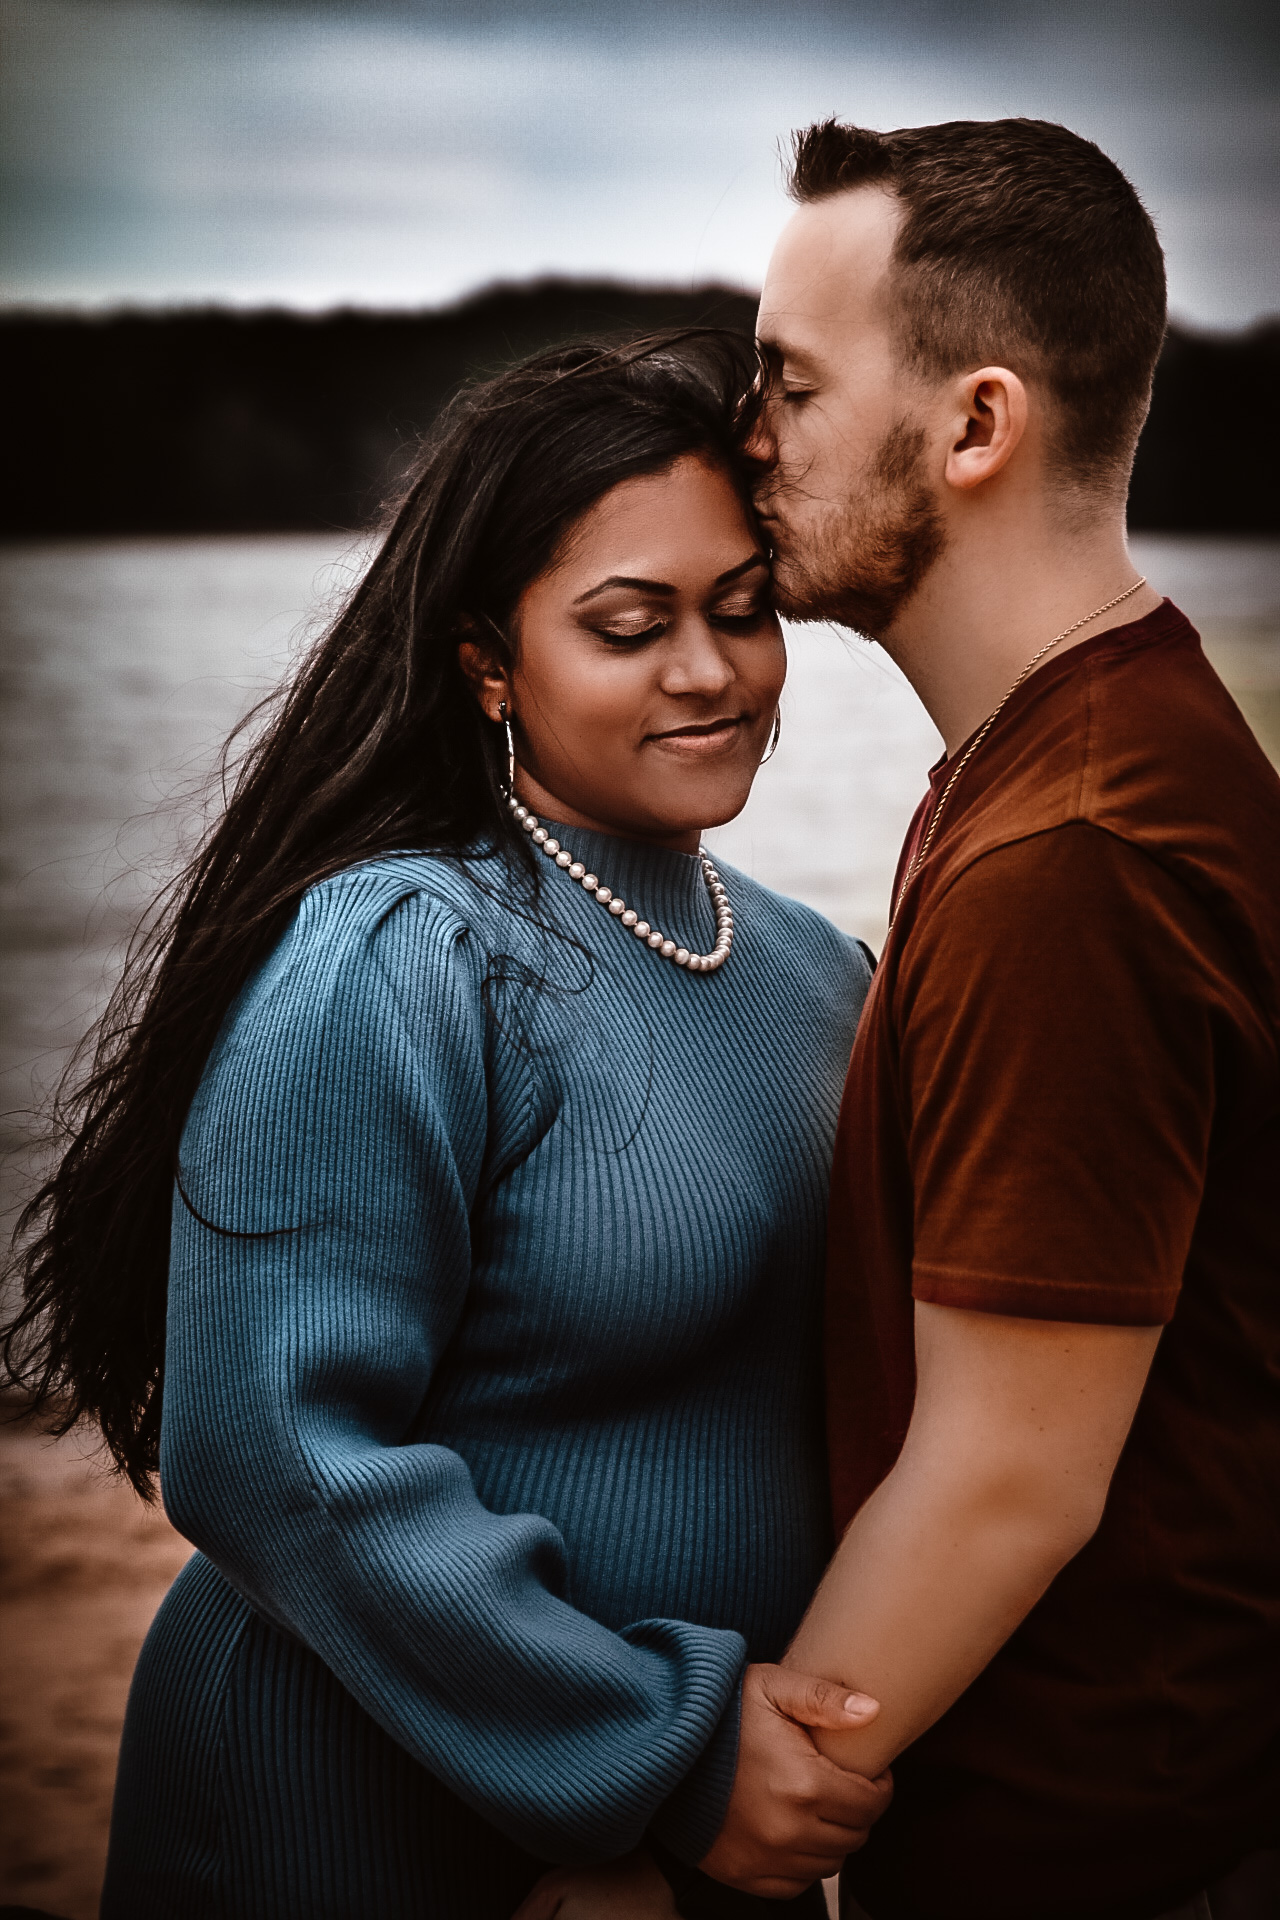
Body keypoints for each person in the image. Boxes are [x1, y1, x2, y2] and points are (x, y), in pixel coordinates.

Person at [1, 333, 894, 1919]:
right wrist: (650, 1762)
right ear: (490, 662)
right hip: (359, 1800)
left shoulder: (820, 971)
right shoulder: (408, 954)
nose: (709, 670)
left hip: (680, 1838)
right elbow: (275, 1452)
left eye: (743, 612)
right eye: (630, 628)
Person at [532, 119, 1280, 1920]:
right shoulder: (1072, 754)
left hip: (1104, 1844)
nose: (747, 431)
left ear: (974, 426)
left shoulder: (1076, 851)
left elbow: (1006, 1472)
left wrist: (719, 1813)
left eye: (787, 377)